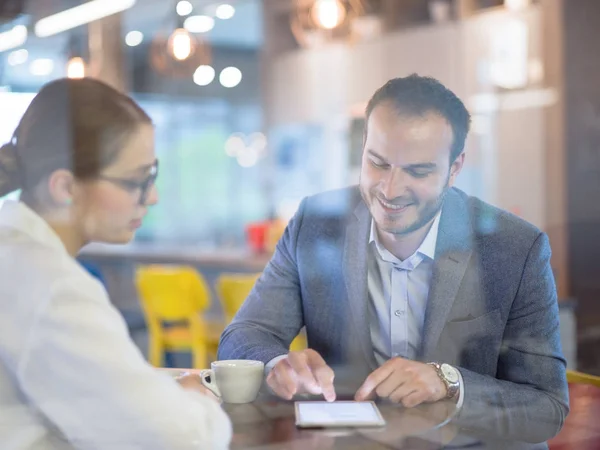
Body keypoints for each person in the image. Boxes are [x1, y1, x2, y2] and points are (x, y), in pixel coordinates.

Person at [219, 74, 569, 444]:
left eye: (417, 171)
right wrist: (279, 363)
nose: (390, 189)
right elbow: (244, 335)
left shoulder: (516, 248)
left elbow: (546, 408)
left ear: (455, 167)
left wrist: (450, 383)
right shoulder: (315, 223)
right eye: (378, 163)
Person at [0, 78, 231, 449]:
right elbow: (180, 440)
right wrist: (197, 400)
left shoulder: (14, 252)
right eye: (136, 181)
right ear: (65, 187)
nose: (151, 197)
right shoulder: (52, 287)